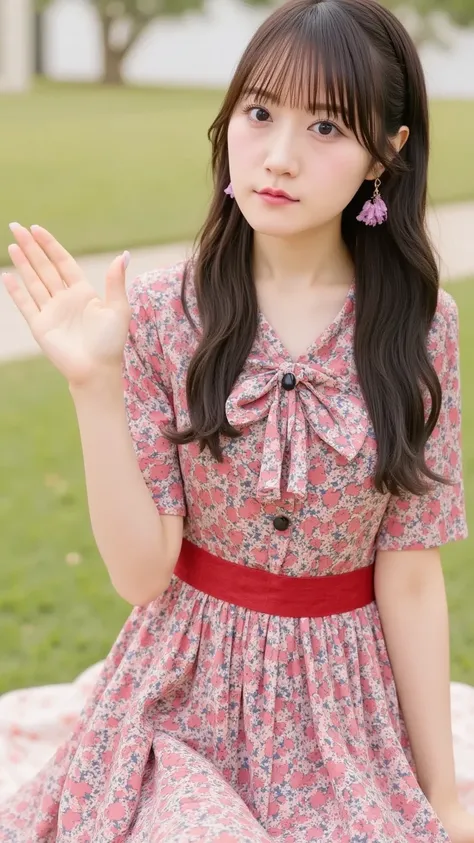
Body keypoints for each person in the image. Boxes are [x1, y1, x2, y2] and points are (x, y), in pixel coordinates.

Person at [0, 0, 473, 840]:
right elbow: (143, 576)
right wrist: (93, 386)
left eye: (327, 127)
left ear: (385, 156)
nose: (280, 156)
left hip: (340, 713)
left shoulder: (420, 324)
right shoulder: (160, 314)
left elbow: (409, 571)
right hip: (182, 700)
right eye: (260, 113)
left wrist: (441, 794)